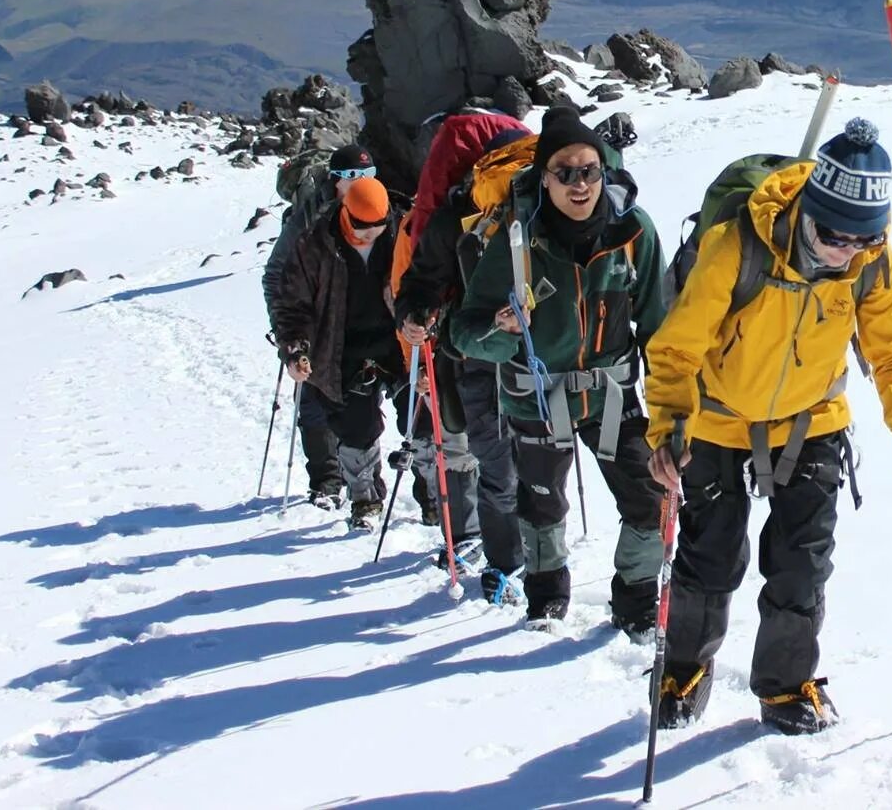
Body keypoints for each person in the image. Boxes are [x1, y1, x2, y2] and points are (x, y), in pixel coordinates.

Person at [643, 119, 892, 735]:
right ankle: (683, 672)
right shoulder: (737, 246)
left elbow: (890, 344)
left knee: (801, 563)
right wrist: (669, 424)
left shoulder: (871, 262)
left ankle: (784, 687)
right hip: (719, 419)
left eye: (862, 239)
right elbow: (676, 350)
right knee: (710, 556)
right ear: (808, 210)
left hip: (813, 420)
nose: (845, 251)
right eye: (834, 234)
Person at [449, 108, 669, 627]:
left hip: (611, 399)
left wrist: (674, 409)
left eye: (589, 170)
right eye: (564, 172)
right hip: (538, 402)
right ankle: (546, 598)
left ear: (605, 172)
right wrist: (500, 332)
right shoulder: (516, 239)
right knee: (543, 505)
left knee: (648, 498)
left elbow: (660, 327)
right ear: (544, 178)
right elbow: (464, 332)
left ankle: (637, 604)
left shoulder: (633, 233)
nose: (578, 183)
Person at [397, 123, 536, 598]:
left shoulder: (458, 209)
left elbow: (421, 280)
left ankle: (511, 565)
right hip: (542, 355)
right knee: (534, 465)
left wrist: (413, 316)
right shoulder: (547, 202)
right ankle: (534, 565)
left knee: (497, 461)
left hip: (473, 350)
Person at [265, 175, 420, 529]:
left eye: (377, 228)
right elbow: (292, 304)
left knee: (420, 419)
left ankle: (432, 501)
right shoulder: (316, 243)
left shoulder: (403, 232)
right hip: (340, 348)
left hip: (397, 343)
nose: (369, 235)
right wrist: (295, 349)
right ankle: (365, 501)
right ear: (346, 213)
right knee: (355, 430)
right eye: (362, 228)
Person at [262, 143, 379, 509]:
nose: (360, 182)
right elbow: (277, 274)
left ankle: (367, 485)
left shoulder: (378, 208)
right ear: (334, 179)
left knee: (362, 403)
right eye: (351, 177)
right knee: (315, 400)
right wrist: (288, 334)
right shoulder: (309, 216)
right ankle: (327, 481)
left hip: (359, 322)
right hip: (314, 321)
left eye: (368, 175)